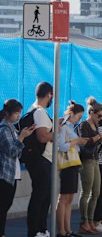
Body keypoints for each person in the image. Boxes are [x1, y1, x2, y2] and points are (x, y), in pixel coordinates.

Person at [0, 99, 34, 237]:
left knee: (5, 206)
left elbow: (18, 153)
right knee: (2, 207)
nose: (18, 116)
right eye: (16, 113)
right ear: (7, 113)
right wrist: (21, 137)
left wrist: (21, 137)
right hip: (4, 174)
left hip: (12, 173)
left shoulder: (12, 128)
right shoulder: (4, 129)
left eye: (19, 113)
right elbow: (12, 151)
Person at [26, 81, 54, 237]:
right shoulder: (40, 112)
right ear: (49, 94)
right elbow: (42, 137)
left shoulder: (33, 110)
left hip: (39, 159)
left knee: (43, 196)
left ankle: (40, 229)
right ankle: (37, 230)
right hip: (42, 159)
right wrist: (56, 132)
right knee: (41, 196)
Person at [77, 97, 102, 234]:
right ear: (91, 112)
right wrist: (99, 137)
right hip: (86, 160)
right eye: (99, 115)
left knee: (96, 192)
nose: (100, 118)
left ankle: (90, 220)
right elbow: (84, 142)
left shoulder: (95, 125)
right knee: (86, 191)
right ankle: (84, 221)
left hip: (95, 159)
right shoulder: (84, 125)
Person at [56, 101, 88, 237]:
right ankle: (61, 230)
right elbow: (61, 146)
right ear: (71, 114)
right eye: (78, 117)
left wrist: (78, 142)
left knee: (69, 199)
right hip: (66, 165)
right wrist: (77, 141)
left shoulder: (70, 128)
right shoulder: (63, 127)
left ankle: (68, 229)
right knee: (64, 198)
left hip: (73, 164)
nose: (78, 120)